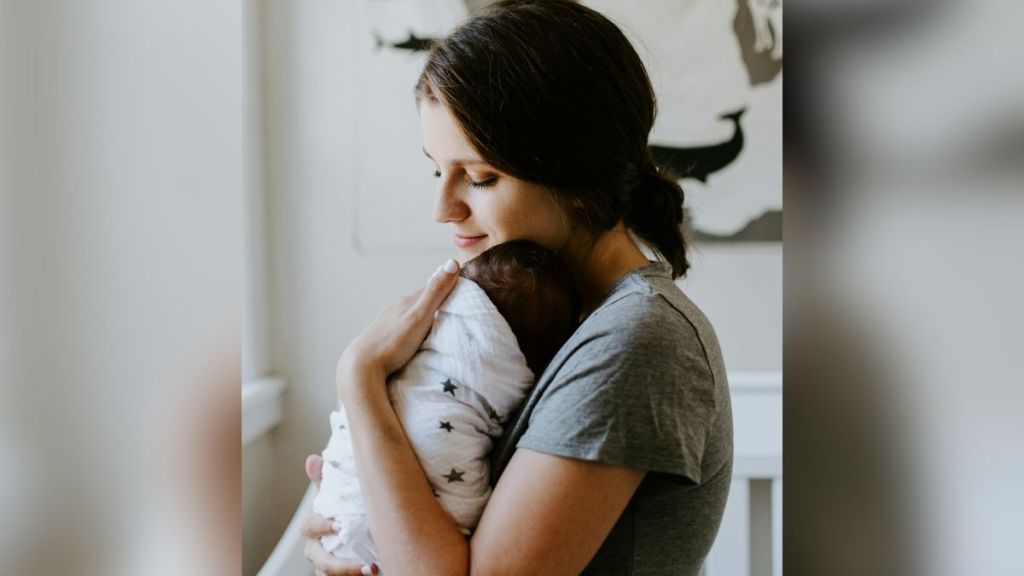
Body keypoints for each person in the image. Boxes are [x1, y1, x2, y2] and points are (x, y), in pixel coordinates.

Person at [302, 1, 733, 574]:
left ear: (576, 174)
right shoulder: (549, 330)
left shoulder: (639, 342)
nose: (443, 209)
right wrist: (357, 526)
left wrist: (359, 379)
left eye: (480, 177)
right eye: (438, 170)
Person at [312, 240, 579, 571]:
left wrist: (358, 373)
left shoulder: (614, 348)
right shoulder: (525, 367)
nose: (443, 211)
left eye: (484, 183)